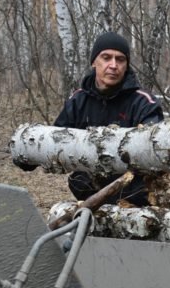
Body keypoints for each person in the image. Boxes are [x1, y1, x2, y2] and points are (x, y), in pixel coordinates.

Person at [53, 31, 163, 206]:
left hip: (133, 193)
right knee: (77, 180)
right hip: (90, 192)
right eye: (106, 57)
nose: (113, 65)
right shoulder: (78, 100)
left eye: (120, 59)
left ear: (126, 65)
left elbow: (156, 146)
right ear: (94, 62)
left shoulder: (143, 102)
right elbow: (52, 142)